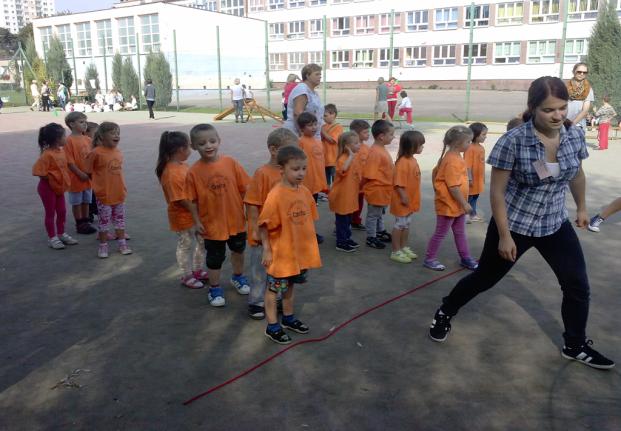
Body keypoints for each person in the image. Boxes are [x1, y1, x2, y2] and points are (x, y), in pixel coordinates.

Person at [427, 76, 615, 370]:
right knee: (484, 278)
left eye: (562, 108)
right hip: (514, 225)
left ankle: (575, 344)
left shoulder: (574, 135)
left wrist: (581, 207)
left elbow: (576, 174)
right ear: (532, 107)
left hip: (554, 223)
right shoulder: (513, 141)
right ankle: (445, 311)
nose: (557, 116)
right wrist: (504, 235)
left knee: (577, 285)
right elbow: (498, 193)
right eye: (548, 110)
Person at [259, 145, 322, 344]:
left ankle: (288, 318)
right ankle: (272, 326)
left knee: (290, 286)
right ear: (282, 170)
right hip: (281, 255)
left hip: (298, 255)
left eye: (304, 168)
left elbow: (309, 221)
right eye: (295, 169)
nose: (301, 173)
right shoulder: (276, 195)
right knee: (273, 289)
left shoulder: (305, 191)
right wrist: (267, 250)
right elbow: (263, 225)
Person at [185, 124, 252, 307]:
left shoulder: (230, 163)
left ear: (219, 141)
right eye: (202, 143)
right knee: (215, 257)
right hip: (212, 224)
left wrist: (250, 214)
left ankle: (238, 277)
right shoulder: (193, 172)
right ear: (193, 146)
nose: (208, 146)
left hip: (236, 220)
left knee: (238, 250)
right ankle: (214, 288)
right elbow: (191, 199)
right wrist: (196, 221)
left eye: (212, 141)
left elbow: (245, 189)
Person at [245, 128, 299, 319]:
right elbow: (252, 204)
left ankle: (274, 298)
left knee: (280, 269)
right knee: (260, 269)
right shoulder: (262, 174)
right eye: (289, 151)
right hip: (264, 234)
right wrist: (254, 231)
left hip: (283, 235)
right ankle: (257, 301)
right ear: (274, 150)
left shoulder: (292, 173)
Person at [156, 131, 208, 289]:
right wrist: (197, 218)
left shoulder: (182, 165)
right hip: (183, 216)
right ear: (180, 149)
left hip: (195, 213)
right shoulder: (171, 173)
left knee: (202, 242)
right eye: (189, 147)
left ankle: (197, 269)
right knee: (185, 244)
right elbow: (182, 200)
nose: (191, 149)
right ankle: (186, 275)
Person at [423, 125, 479, 271]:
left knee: (460, 232)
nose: (470, 144)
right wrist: (465, 204)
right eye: (468, 142)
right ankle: (429, 259)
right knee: (440, 233)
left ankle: (465, 257)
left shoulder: (455, 157)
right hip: (448, 205)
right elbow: (452, 187)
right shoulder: (451, 160)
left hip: (456, 206)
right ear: (456, 144)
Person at [85, 122, 132, 258]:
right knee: (104, 222)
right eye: (112, 133)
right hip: (104, 194)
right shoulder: (95, 153)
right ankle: (103, 246)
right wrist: (99, 185)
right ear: (102, 136)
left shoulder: (118, 152)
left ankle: (122, 244)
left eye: (118, 133)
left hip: (119, 193)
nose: (116, 135)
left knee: (120, 220)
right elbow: (88, 171)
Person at [32, 123, 78, 249]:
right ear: (57, 139)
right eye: (64, 136)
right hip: (47, 189)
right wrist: (54, 178)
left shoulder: (61, 151)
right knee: (50, 213)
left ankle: (61, 233)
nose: (66, 138)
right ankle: (52, 237)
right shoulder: (47, 155)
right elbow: (38, 172)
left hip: (59, 188)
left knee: (62, 211)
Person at [389, 130, 424, 264]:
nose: (422, 147)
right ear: (411, 146)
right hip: (402, 201)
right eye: (420, 145)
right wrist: (403, 197)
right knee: (400, 224)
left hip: (410, 200)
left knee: (406, 224)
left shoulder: (412, 160)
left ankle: (403, 247)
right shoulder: (403, 162)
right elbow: (398, 184)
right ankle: (395, 250)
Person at [362, 119, 395, 249]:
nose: (393, 137)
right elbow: (369, 174)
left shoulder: (381, 148)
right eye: (391, 134)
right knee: (373, 215)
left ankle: (379, 231)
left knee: (379, 213)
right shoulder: (375, 152)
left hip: (384, 189)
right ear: (381, 136)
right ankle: (371, 236)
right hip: (377, 189)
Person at [328, 131, 362, 253]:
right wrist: (351, 156)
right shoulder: (343, 159)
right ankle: (341, 242)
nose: (359, 145)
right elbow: (343, 170)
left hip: (350, 196)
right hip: (341, 197)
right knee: (342, 220)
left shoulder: (353, 158)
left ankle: (347, 238)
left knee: (347, 219)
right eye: (356, 143)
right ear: (347, 145)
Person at [64, 112, 97, 235]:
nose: (85, 125)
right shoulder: (69, 141)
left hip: (88, 177)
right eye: (81, 122)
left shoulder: (88, 139)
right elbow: (70, 162)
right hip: (76, 178)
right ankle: (79, 223)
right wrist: (80, 174)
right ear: (71, 124)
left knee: (86, 200)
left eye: (85, 122)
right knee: (77, 202)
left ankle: (86, 221)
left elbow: (93, 156)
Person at [297, 112, 327, 243]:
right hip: (305, 185)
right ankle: (306, 234)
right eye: (310, 125)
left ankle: (310, 232)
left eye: (315, 124)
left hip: (316, 184)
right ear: (302, 129)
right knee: (305, 211)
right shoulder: (300, 142)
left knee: (312, 210)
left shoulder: (318, 142)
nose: (314, 127)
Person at [283, 63, 324, 138]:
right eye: (317, 74)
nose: (320, 76)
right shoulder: (302, 90)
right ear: (307, 76)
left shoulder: (313, 92)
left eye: (320, 74)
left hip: (311, 134)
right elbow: (298, 113)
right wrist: (302, 134)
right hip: (301, 135)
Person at [349, 119, 371, 230]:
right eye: (365, 132)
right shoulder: (351, 149)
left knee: (359, 203)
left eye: (368, 132)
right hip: (352, 183)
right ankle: (341, 225)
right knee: (347, 204)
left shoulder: (367, 148)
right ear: (356, 134)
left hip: (362, 183)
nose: (368, 134)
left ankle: (356, 221)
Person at [464, 122, 488, 223]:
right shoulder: (469, 148)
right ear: (475, 134)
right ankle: (465, 216)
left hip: (478, 179)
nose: (485, 137)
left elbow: (482, 165)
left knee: (475, 197)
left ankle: (472, 215)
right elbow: (467, 165)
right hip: (471, 179)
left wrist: (483, 177)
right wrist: (469, 178)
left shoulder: (481, 148)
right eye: (483, 134)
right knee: (469, 198)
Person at [321, 103, 342, 190]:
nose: (323, 118)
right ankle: (327, 192)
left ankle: (334, 192)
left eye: (325, 115)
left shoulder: (338, 127)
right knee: (326, 179)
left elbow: (332, 140)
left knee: (334, 179)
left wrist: (322, 131)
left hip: (333, 159)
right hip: (324, 159)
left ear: (333, 114)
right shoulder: (324, 126)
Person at [566, 63, 594, 130]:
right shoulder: (564, 86)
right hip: (562, 123)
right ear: (573, 71)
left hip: (578, 125)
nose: (582, 74)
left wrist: (572, 124)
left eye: (584, 72)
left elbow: (585, 110)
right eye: (579, 72)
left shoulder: (588, 89)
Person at [85, 122, 99, 223]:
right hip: (87, 174)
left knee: (94, 194)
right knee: (89, 195)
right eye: (95, 133)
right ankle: (89, 214)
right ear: (86, 133)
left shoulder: (95, 143)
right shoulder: (87, 143)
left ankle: (94, 211)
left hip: (95, 175)